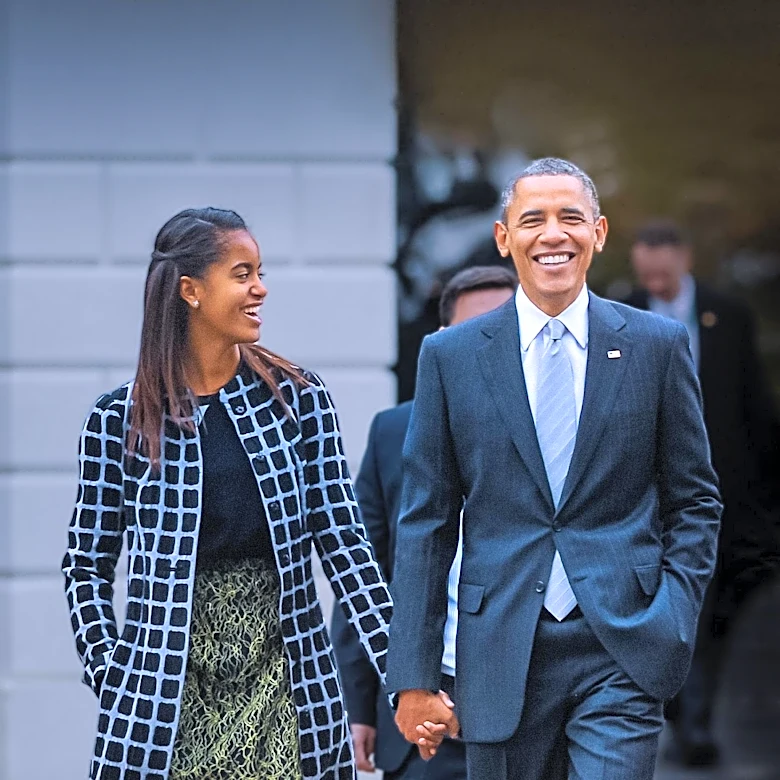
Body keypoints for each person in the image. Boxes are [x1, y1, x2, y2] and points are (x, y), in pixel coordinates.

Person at [61, 207, 449, 780]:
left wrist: (406, 680)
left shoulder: (298, 399)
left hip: (287, 687)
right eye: (242, 274)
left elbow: (347, 549)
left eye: (259, 272)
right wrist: (111, 671)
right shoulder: (120, 419)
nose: (260, 288)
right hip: (163, 696)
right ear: (191, 290)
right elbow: (85, 564)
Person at [385, 158, 723, 780]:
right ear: (503, 237)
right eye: (532, 219)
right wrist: (413, 675)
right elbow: (426, 521)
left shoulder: (657, 345)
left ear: (599, 232)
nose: (553, 234)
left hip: (622, 643)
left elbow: (695, 500)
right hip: (498, 649)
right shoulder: (450, 356)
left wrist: (672, 613)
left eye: (570, 217)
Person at [331, 265, 518, 778]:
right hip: (418, 724)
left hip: (527, 715)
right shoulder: (393, 431)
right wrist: (357, 704)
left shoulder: (557, 428)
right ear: (441, 340)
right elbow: (362, 570)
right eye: (474, 330)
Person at [626, 219, 780, 767]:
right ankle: (684, 717)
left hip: (720, 491)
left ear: (683, 259)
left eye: (663, 272)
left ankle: (693, 717)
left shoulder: (727, 315)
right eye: (647, 273)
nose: (655, 282)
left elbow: (752, 405)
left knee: (710, 604)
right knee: (665, 602)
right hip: (643, 493)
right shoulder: (619, 313)